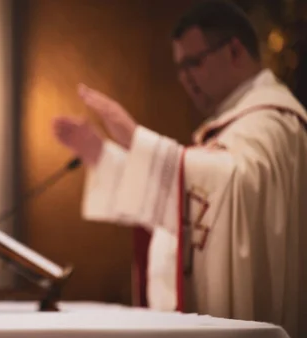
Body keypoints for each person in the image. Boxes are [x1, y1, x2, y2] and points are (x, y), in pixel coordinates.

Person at [52, 1, 307, 337]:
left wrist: (137, 139)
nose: (186, 79)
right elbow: (190, 190)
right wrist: (104, 155)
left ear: (234, 50)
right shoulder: (234, 122)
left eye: (193, 63)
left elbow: (235, 184)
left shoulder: (274, 122)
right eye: (180, 68)